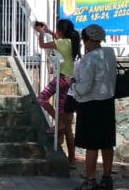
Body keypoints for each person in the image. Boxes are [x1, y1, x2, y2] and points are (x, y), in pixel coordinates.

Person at [70, 24, 116, 190]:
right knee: (107, 142)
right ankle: (107, 177)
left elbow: (85, 87)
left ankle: (90, 180)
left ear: (88, 40)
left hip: (91, 104)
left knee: (92, 145)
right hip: (108, 102)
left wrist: (73, 85)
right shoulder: (110, 53)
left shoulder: (89, 59)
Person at [34, 19, 81, 169]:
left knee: (41, 98)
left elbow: (42, 45)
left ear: (60, 31)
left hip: (61, 78)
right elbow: (59, 39)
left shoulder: (61, 43)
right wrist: (48, 31)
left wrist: (41, 34)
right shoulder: (70, 41)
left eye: (56, 30)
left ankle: (58, 122)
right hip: (68, 81)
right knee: (67, 128)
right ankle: (71, 160)